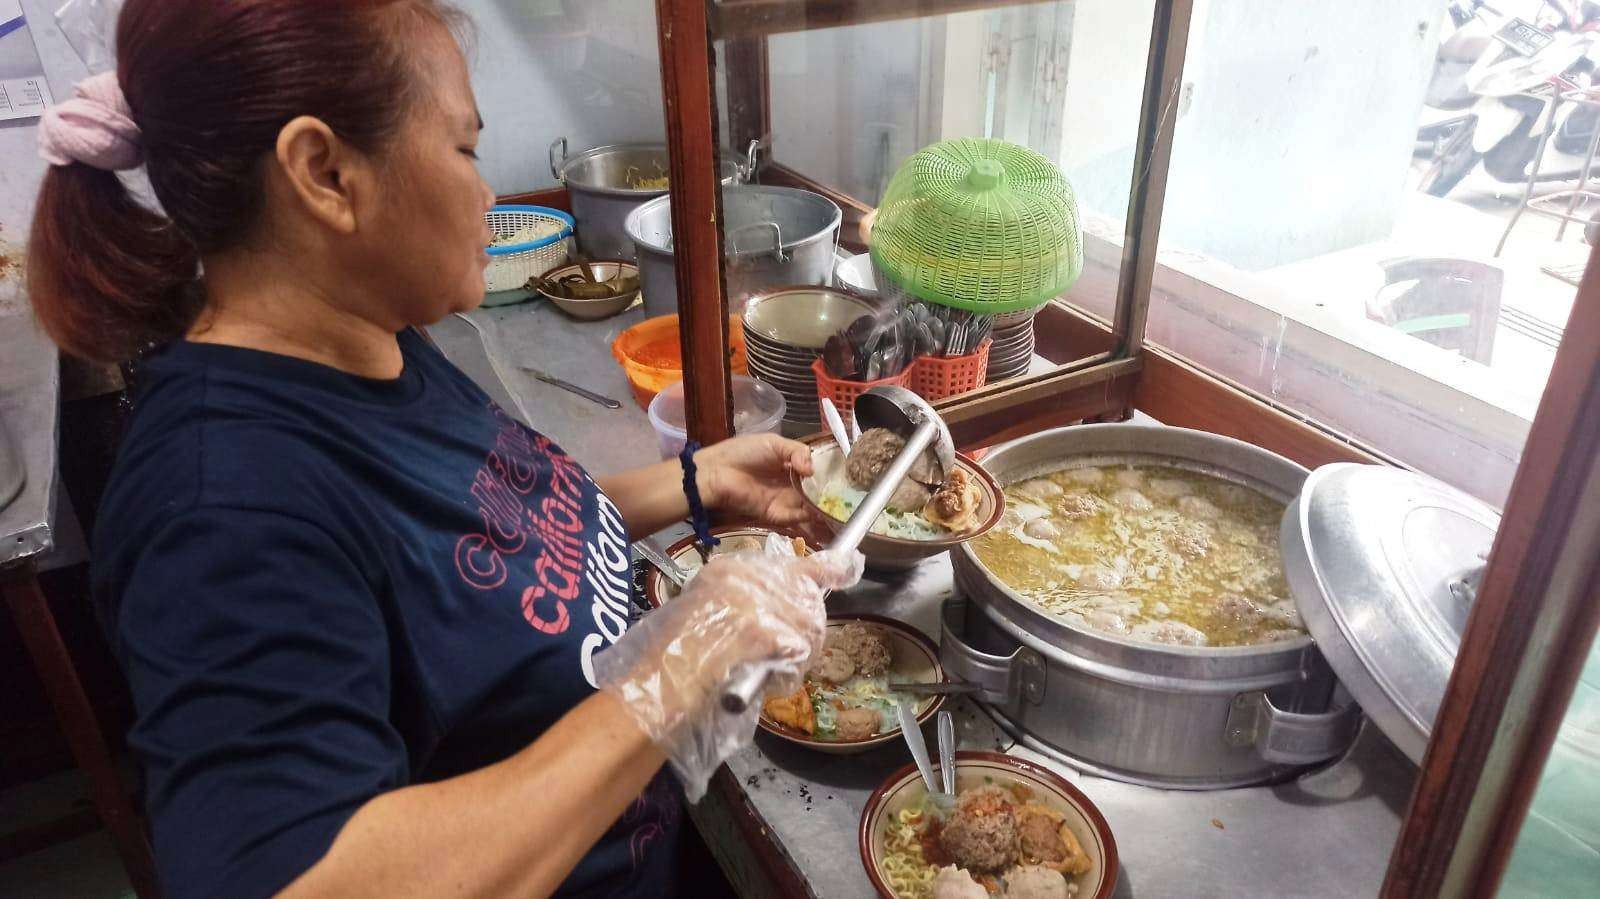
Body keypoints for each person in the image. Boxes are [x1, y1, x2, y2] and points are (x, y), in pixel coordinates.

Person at [27, 2, 863, 897]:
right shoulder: (220, 509)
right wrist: (677, 671)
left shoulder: (373, 337)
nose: (489, 193)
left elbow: (474, 551)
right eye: (464, 150)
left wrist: (693, 481)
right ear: (325, 172)